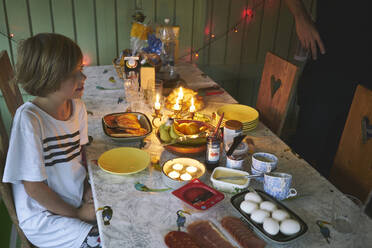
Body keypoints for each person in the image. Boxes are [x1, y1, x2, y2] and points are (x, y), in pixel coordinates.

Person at [2, 33, 101, 248]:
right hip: (44, 216)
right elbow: (34, 189)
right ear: (51, 78)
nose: (83, 78)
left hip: (72, 199)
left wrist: (85, 190)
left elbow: (77, 158)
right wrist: (77, 214)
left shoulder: (78, 108)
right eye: (75, 73)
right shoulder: (29, 120)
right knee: (105, 241)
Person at [284, 0, 371, 177]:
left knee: (350, 160)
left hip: (367, 75)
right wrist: (301, 18)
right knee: (306, 148)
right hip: (328, 62)